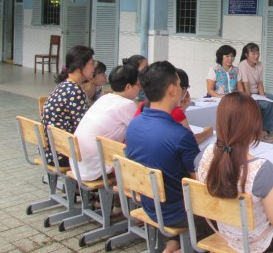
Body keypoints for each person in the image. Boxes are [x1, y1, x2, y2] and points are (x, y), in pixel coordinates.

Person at [197, 92, 273, 252]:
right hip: (256, 243)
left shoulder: (205, 155)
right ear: (254, 126)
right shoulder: (262, 170)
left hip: (221, 231)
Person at [126, 61, 204, 253]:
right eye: (179, 85)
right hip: (177, 212)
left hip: (149, 204)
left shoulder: (134, 124)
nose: (182, 89)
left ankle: (173, 243)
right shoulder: (180, 135)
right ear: (171, 90)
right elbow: (199, 182)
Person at [73, 64, 140, 181]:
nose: (140, 89)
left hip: (78, 165)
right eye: (138, 85)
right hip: (97, 168)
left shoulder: (105, 98)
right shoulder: (126, 104)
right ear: (129, 87)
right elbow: (140, 132)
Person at [42, 45, 95, 166]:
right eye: (92, 63)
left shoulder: (64, 85)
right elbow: (83, 127)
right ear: (80, 65)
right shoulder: (74, 91)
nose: (94, 67)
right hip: (63, 154)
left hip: (51, 151)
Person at [135, 68, 213, 144]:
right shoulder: (174, 111)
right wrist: (208, 132)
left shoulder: (144, 104)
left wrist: (181, 110)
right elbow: (192, 141)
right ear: (173, 89)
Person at [238, 43, 273, 142]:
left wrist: (263, 96)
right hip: (248, 94)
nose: (256, 56)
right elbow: (245, 84)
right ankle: (264, 132)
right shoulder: (242, 65)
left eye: (258, 53)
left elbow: (260, 83)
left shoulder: (259, 64)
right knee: (267, 105)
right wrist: (249, 99)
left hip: (257, 93)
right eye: (253, 54)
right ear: (246, 55)